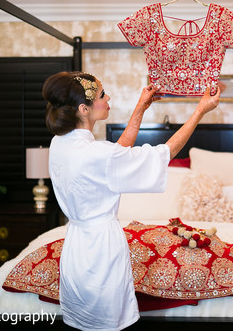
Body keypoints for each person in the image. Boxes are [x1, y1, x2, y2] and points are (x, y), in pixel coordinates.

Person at [42, 71, 220, 331]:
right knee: (108, 324)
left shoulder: (60, 144)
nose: (108, 97)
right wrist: (200, 111)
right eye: (102, 95)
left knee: (81, 323)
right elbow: (164, 153)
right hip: (102, 250)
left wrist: (141, 108)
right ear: (84, 109)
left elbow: (116, 155)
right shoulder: (98, 155)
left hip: (75, 248)